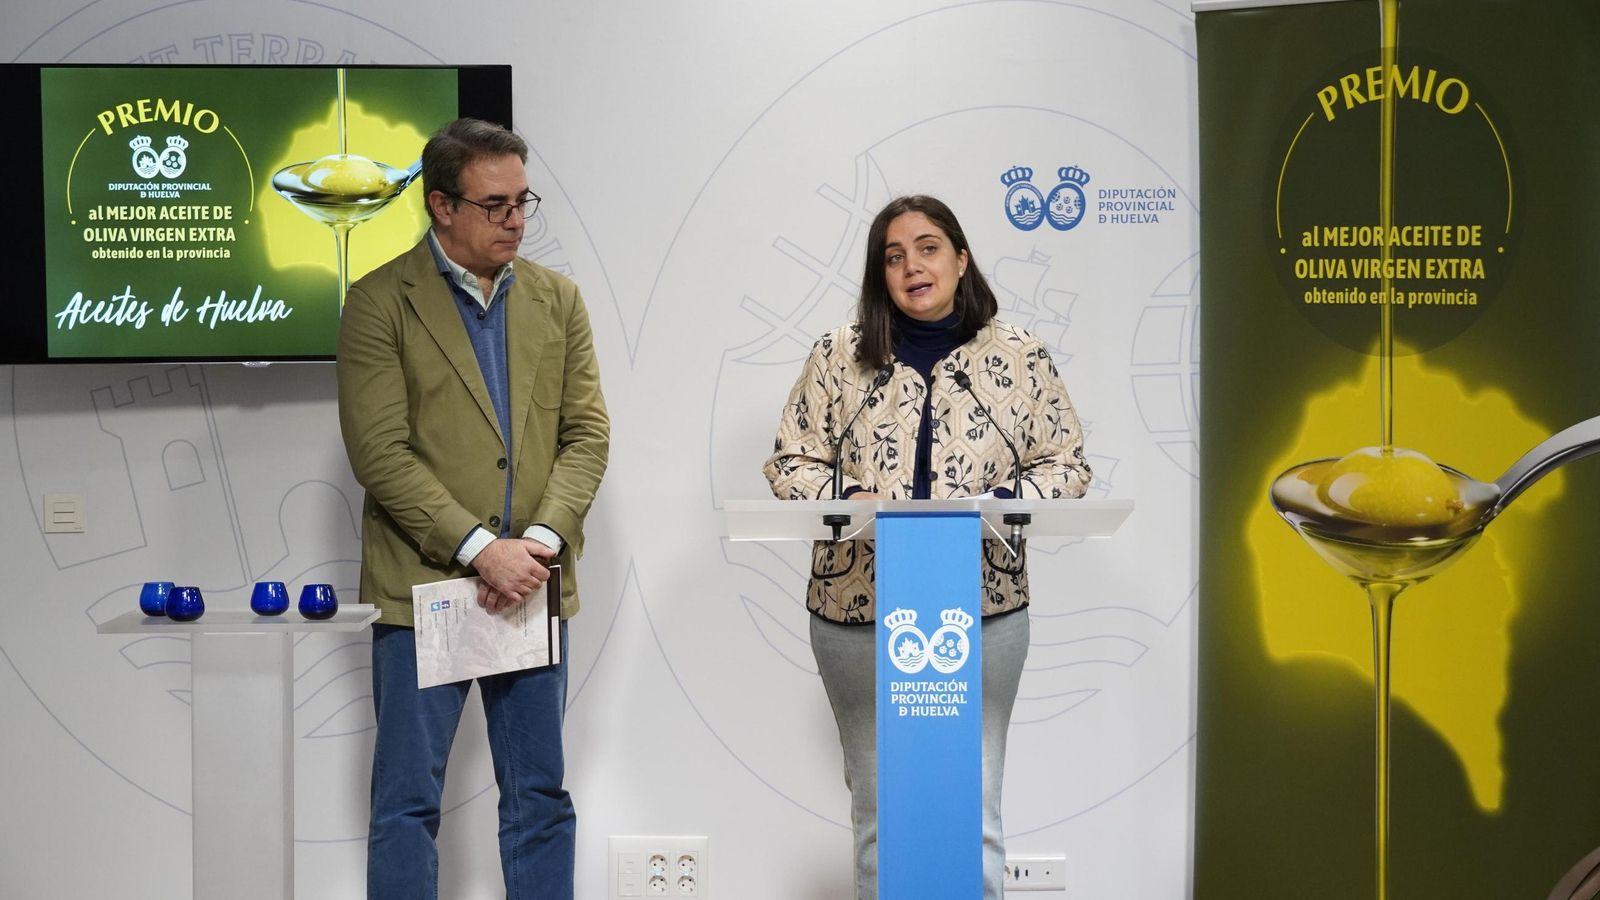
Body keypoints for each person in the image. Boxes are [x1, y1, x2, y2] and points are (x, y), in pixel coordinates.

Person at [763, 195, 1091, 900]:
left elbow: (1066, 462)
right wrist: (848, 501)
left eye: (929, 247)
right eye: (893, 255)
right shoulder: (837, 355)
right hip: (858, 612)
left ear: (961, 258)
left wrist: (1007, 504)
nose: (912, 265)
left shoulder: (1018, 354)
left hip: (984, 611)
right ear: (879, 275)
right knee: (880, 811)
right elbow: (791, 461)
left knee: (974, 807)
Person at [337, 117, 609, 900]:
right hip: (423, 588)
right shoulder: (379, 301)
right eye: (496, 205)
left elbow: (586, 433)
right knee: (406, 805)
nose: (516, 220)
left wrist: (541, 544)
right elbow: (380, 453)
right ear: (441, 207)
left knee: (539, 799)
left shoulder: (558, 299)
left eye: (524, 201)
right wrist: (480, 548)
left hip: (533, 583)